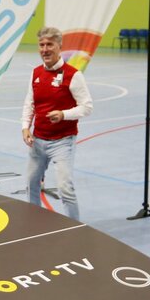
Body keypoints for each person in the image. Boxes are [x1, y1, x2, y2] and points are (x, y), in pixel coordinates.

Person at [21, 26, 93, 220]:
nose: (45, 49)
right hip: (38, 141)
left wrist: (64, 114)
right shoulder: (36, 73)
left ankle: (73, 228)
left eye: (49, 45)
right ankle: (34, 221)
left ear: (59, 47)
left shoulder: (73, 75)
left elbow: (87, 107)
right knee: (31, 183)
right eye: (41, 45)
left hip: (63, 142)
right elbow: (30, 103)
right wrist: (25, 128)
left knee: (65, 188)